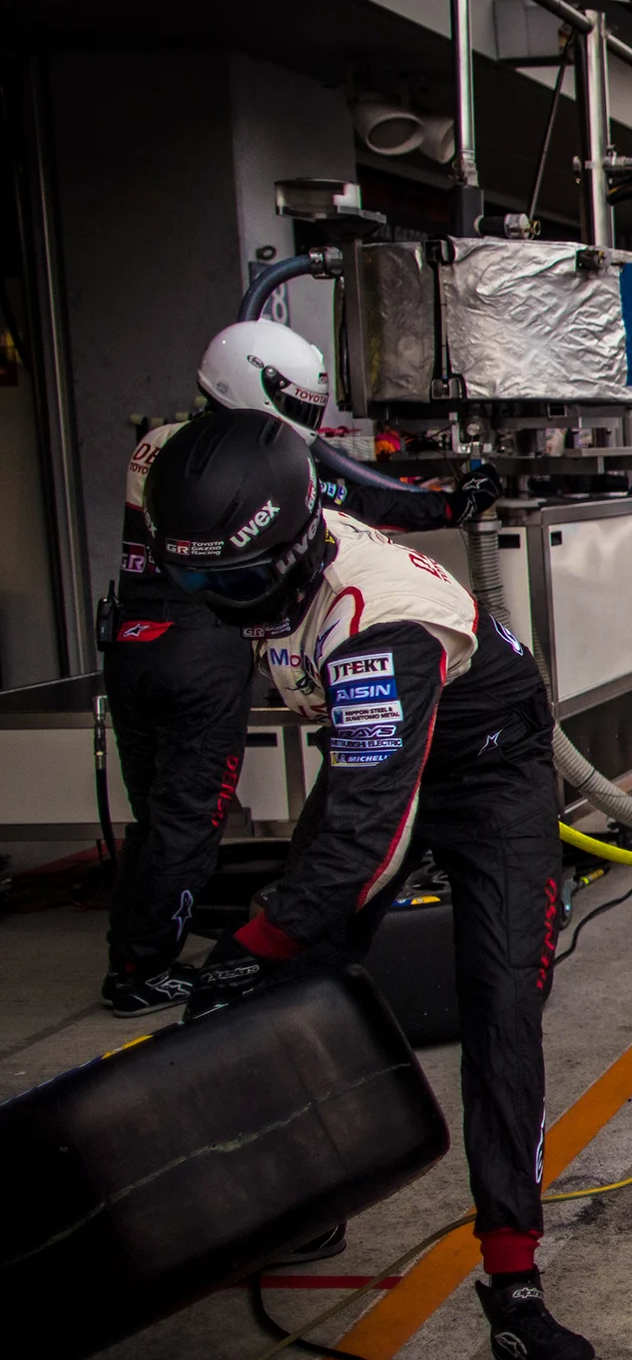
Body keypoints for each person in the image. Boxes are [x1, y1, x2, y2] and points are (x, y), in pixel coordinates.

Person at [146, 410, 595, 1360]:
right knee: (286, 983)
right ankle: (305, 1192)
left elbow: (362, 844)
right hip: (376, 757)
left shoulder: (375, 619)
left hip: (489, 772)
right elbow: (365, 484)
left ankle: (515, 1285)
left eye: (223, 583)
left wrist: (252, 942)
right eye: (187, 580)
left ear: (290, 547)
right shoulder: (286, 506)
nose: (209, 602)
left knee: (502, 1005)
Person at [99, 320, 499, 1016]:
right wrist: (451, 501)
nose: (306, 423)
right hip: (203, 647)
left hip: (133, 642)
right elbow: (356, 496)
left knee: (154, 813)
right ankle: (145, 969)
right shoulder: (261, 465)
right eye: (302, 405)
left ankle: (134, 948)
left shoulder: (162, 447)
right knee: (189, 819)